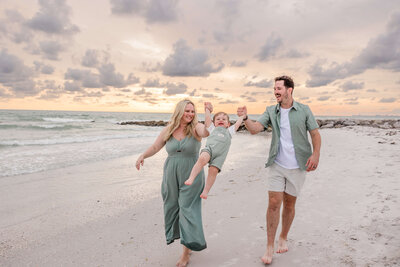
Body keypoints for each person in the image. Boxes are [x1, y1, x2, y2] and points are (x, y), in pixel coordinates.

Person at [237, 75, 321, 265]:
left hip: (298, 165)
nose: (276, 92)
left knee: (289, 205)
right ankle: (269, 246)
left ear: (289, 90)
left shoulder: (304, 110)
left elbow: (315, 134)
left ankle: (283, 236)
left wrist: (315, 155)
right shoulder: (271, 111)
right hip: (277, 164)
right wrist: (245, 118)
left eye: (279, 88)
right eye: (274, 89)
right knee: (274, 203)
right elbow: (255, 129)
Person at [135, 99, 209, 267]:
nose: (190, 114)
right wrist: (142, 156)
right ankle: (186, 240)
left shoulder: (196, 128)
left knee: (186, 210)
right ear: (179, 112)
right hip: (170, 175)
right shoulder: (168, 129)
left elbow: (206, 132)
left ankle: (185, 254)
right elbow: (155, 147)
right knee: (172, 207)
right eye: (187, 111)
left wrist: (208, 113)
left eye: (192, 111)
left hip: (192, 174)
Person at [184, 102, 244, 199]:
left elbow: (237, 124)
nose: (221, 120)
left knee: (213, 171)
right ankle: (191, 178)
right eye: (218, 119)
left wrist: (242, 116)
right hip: (209, 149)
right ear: (214, 122)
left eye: (224, 119)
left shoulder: (230, 131)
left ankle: (206, 191)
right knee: (202, 159)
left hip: (220, 156)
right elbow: (207, 120)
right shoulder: (212, 128)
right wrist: (207, 110)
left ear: (228, 124)